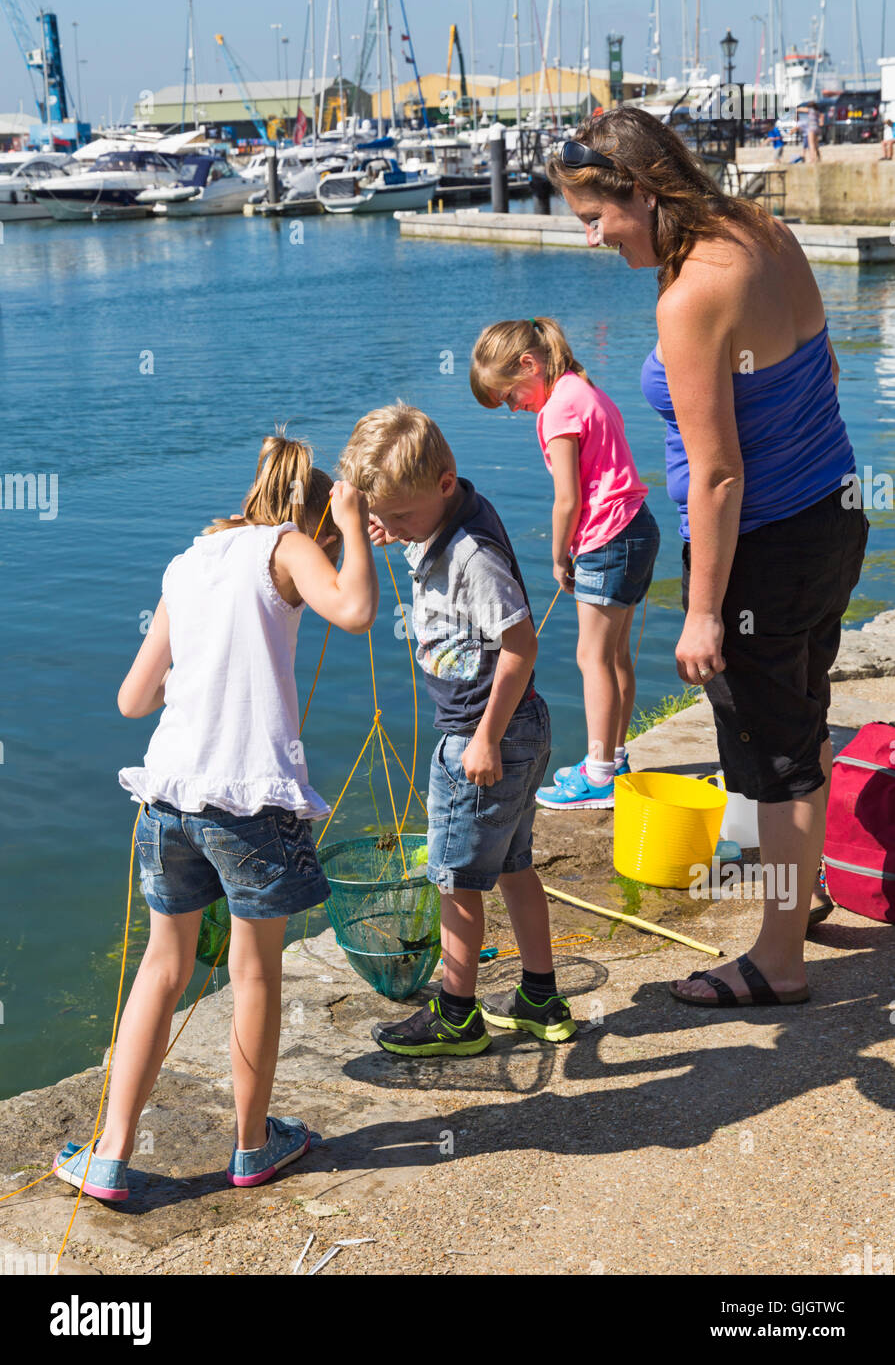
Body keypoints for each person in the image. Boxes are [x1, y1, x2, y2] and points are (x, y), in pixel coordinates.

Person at [548, 106, 868, 1009]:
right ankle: (792, 906)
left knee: (771, 755)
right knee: (799, 722)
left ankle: (776, 961)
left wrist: (698, 612)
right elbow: (826, 369)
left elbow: (719, 476)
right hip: (832, 515)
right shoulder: (763, 230)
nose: (589, 237)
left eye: (593, 216)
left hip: (763, 544)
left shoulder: (689, 295)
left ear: (641, 195)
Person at [53, 435, 378, 1201]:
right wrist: (355, 522)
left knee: (160, 969)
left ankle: (109, 1154)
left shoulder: (191, 558)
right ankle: (252, 1147)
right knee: (254, 971)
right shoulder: (293, 547)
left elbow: (134, 699)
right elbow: (357, 610)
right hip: (249, 804)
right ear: (315, 520)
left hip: (166, 795)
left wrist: (203, 675)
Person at [340, 403, 577, 1056]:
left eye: (400, 516)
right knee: (512, 865)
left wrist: (482, 740)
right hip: (515, 727)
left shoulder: (472, 555)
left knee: (454, 880)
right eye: (380, 517)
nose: (388, 527)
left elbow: (521, 646)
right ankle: (537, 994)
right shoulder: (448, 517)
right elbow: (414, 520)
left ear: (445, 484)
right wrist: (403, 530)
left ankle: (456, 1014)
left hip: (483, 731)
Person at [469, 316, 659, 808]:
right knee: (615, 655)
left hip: (607, 537)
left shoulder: (556, 410)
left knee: (591, 657)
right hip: (638, 526)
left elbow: (567, 499)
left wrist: (559, 557)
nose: (515, 407)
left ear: (528, 364)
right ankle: (613, 758)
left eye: (510, 395)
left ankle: (598, 776)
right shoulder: (581, 386)